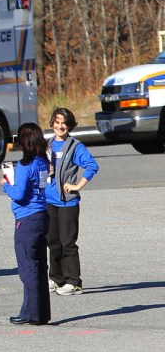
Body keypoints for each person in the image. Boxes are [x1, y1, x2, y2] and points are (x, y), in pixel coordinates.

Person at [1, 122, 51, 326]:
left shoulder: (24, 165)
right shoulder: (41, 162)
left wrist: (6, 186)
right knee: (39, 266)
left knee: (28, 268)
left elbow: (19, 194)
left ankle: (30, 312)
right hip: (41, 215)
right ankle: (41, 312)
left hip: (26, 218)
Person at [46, 107, 99, 296]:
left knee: (67, 242)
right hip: (49, 200)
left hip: (67, 202)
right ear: (52, 123)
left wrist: (78, 186)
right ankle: (56, 278)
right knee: (52, 241)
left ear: (70, 126)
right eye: (57, 122)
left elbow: (92, 165)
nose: (60, 126)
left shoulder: (75, 146)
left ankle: (74, 282)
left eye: (64, 123)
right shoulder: (48, 145)